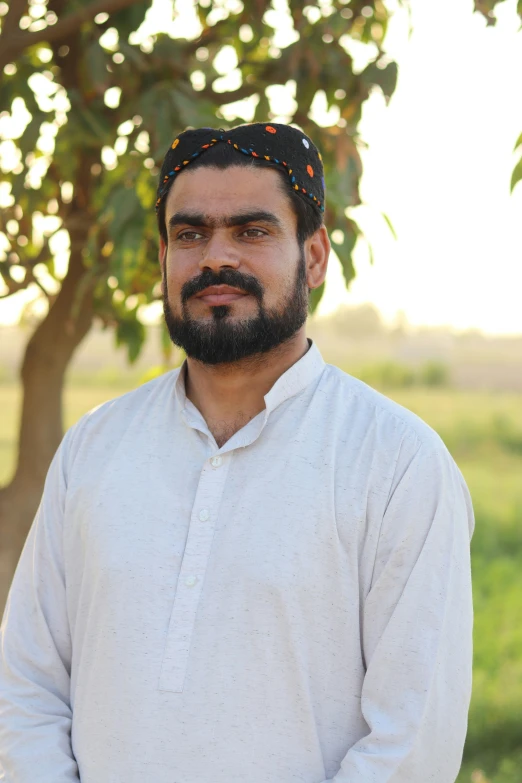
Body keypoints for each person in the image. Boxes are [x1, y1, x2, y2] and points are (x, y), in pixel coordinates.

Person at [0, 122, 474, 783]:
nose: (215, 258)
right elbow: (26, 682)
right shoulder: (95, 448)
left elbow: (411, 739)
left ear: (313, 257)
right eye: (190, 234)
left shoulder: (397, 462)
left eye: (252, 231)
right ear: (163, 254)